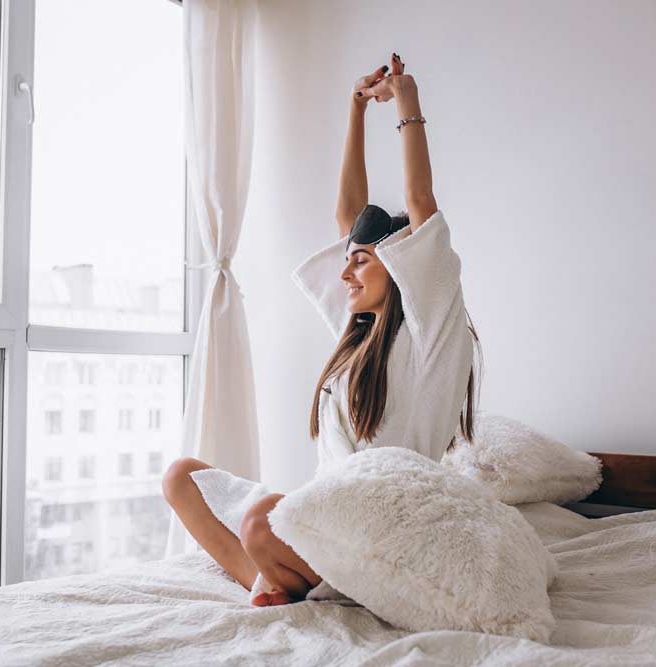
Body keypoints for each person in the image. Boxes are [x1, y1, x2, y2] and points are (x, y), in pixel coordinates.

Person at [163, 51, 482, 607]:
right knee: (181, 477)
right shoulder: (358, 331)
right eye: (350, 259)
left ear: (405, 263)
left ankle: (281, 573)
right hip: (327, 513)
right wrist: (355, 111)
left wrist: (406, 101)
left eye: (361, 261)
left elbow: (421, 203)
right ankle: (275, 578)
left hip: (385, 519)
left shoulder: (430, 327)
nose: (346, 270)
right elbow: (348, 216)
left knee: (262, 521)